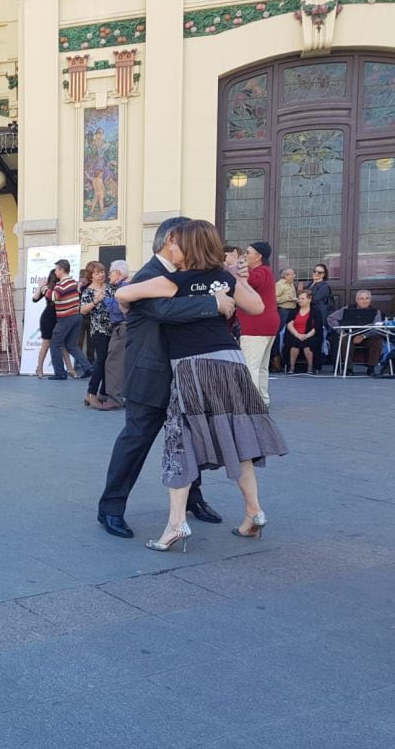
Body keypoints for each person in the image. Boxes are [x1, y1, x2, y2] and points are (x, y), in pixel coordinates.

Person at [114, 219, 288, 552]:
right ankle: (254, 512)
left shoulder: (172, 281)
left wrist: (135, 296)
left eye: (177, 244)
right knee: (239, 439)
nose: (171, 247)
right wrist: (226, 288)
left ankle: (177, 524)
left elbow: (124, 293)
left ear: (188, 247)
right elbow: (257, 306)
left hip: (195, 366)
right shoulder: (221, 279)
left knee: (181, 443)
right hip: (232, 363)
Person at [97, 216, 235, 539]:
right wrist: (212, 301)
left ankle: (192, 500)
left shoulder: (186, 274)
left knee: (191, 441)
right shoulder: (149, 275)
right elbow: (163, 311)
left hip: (186, 373)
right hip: (151, 375)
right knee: (136, 441)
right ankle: (111, 508)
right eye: (189, 241)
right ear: (172, 239)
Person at [237, 241, 278, 407]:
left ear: (258, 256)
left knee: (250, 366)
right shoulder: (266, 271)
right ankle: (262, 399)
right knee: (261, 367)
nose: (245, 255)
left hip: (256, 325)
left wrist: (236, 266)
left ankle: (251, 403)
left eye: (248, 252)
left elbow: (249, 281)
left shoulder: (260, 272)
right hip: (267, 324)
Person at [47, 259, 93, 382]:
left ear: (62, 270)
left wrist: (43, 288)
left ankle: (60, 373)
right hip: (77, 316)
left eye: (56, 269)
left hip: (66, 317)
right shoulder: (73, 282)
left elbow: (53, 297)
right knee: (71, 345)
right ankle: (87, 367)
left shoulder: (61, 284)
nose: (55, 272)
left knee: (55, 343)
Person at [78, 261, 114, 408]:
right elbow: (83, 310)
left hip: (113, 329)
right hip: (99, 330)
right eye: (97, 273)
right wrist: (95, 301)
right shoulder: (88, 291)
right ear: (91, 276)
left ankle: (104, 393)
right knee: (101, 360)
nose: (101, 275)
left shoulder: (111, 288)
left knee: (109, 361)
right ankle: (91, 392)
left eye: (102, 272)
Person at [326, 290, 384, 375]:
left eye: (367, 298)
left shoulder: (376, 312)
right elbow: (330, 318)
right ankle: (348, 368)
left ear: (370, 300)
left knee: (377, 340)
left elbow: (377, 328)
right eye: (362, 299)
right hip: (350, 335)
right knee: (343, 339)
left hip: (367, 336)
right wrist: (341, 331)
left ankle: (371, 368)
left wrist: (363, 336)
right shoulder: (348, 308)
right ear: (357, 300)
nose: (364, 301)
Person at [100, 260, 130, 409]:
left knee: (114, 364)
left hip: (121, 329)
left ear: (118, 273)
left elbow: (116, 309)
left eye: (110, 272)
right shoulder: (125, 287)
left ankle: (114, 400)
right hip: (124, 329)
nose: (108, 275)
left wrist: (104, 299)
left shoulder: (123, 289)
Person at [31, 267, 59, 379]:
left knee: (62, 344)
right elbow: (35, 299)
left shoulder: (62, 287)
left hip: (61, 318)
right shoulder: (48, 288)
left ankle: (69, 369)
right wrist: (40, 287)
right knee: (46, 344)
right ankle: (40, 368)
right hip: (48, 318)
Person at [306, 263, 334, 372]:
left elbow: (315, 298)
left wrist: (300, 296)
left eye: (319, 272)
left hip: (318, 314)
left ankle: (317, 365)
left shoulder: (324, 286)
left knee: (318, 339)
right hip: (309, 313)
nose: (316, 274)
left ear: (324, 274)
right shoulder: (310, 284)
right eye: (315, 271)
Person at [271, 267, 298, 372]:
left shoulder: (290, 284)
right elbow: (273, 299)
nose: (294, 276)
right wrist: (285, 299)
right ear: (286, 276)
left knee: (288, 335)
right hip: (283, 311)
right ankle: (276, 359)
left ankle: (285, 360)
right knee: (279, 334)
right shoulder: (280, 285)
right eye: (292, 274)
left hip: (292, 311)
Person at [284, 290, 317, 374]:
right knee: (294, 343)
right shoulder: (294, 311)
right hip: (295, 334)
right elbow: (289, 325)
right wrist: (297, 335)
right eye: (299, 299)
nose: (300, 301)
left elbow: (317, 327)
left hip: (310, 335)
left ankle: (310, 367)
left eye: (302, 298)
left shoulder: (315, 312)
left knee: (308, 344)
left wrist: (306, 335)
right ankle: (292, 367)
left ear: (309, 299)